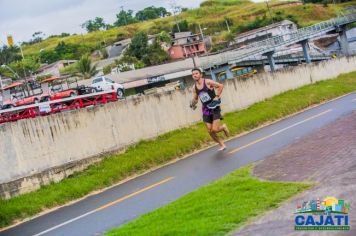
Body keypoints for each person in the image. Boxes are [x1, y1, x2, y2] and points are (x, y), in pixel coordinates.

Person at [190, 68, 229, 151]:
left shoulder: (207, 82)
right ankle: (222, 145)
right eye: (193, 74)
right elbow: (196, 99)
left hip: (214, 106)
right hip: (205, 109)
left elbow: (220, 86)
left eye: (196, 73)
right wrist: (192, 103)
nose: (195, 75)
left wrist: (217, 96)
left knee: (214, 129)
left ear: (201, 74)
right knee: (210, 131)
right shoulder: (194, 88)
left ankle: (223, 127)